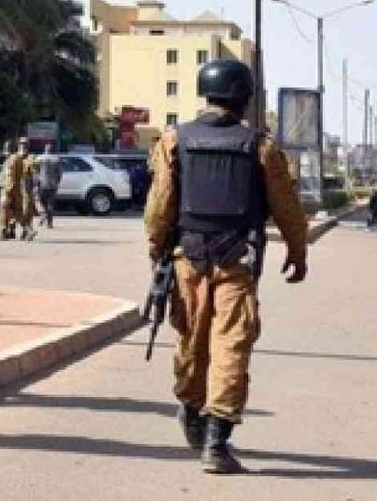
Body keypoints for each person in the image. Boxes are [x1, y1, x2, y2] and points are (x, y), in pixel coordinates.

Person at [143, 58, 308, 474]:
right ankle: (215, 443)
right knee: (231, 346)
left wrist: (156, 250)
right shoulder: (261, 147)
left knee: (190, 341)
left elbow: (160, 205)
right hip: (236, 262)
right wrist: (297, 251)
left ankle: (193, 414)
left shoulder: (174, 140)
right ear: (245, 98)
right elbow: (287, 207)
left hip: (187, 259)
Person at [0, 139, 28, 240]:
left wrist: (7, 191)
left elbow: (9, 176)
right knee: (16, 211)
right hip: (17, 189)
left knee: (3, 210)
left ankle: (4, 232)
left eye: (6, 149)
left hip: (9, 188)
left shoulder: (11, 160)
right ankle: (22, 230)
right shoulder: (17, 159)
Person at [34, 145, 63, 228]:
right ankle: (49, 223)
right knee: (50, 204)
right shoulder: (56, 159)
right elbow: (60, 173)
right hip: (53, 184)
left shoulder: (39, 158)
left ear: (45, 150)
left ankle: (43, 214)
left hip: (41, 184)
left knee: (40, 201)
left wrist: (35, 183)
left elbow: (35, 172)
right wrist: (57, 182)